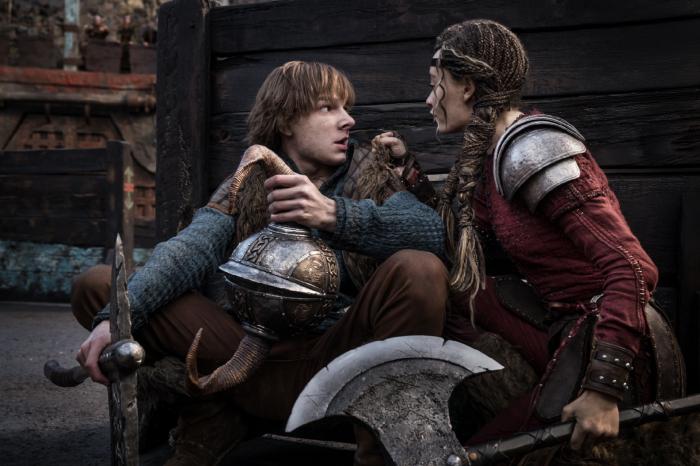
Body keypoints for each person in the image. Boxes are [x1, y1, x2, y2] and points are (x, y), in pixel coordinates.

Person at [71, 61, 448, 466]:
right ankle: (217, 413)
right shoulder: (249, 182)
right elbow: (190, 248)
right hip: (245, 357)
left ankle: (378, 456)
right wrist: (117, 318)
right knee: (101, 286)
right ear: (286, 121)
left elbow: (432, 234)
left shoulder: (367, 172)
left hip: (340, 360)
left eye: (346, 108)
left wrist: (334, 215)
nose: (348, 120)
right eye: (328, 108)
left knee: (420, 269)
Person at [423, 19, 685, 457]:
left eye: (435, 84)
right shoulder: (494, 154)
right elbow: (458, 241)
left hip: (610, 341)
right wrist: (407, 180)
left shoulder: (532, 150)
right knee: (458, 292)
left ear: (466, 87)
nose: (429, 100)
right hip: (558, 323)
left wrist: (602, 390)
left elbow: (633, 268)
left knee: (482, 455)